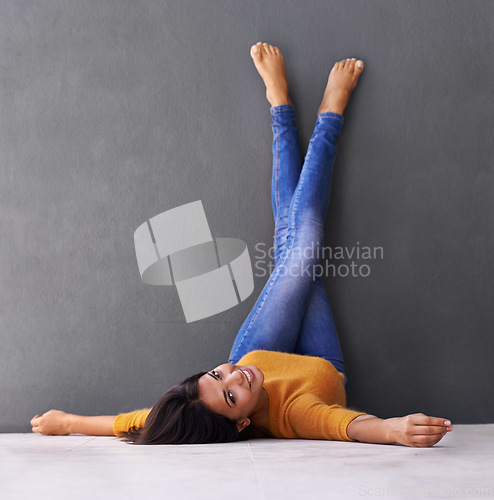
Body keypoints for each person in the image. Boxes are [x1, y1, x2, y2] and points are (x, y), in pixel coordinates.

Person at [30, 42, 453, 447]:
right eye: (231, 396)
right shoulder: (295, 412)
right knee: (295, 243)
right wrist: (393, 430)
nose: (236, 378)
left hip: (265, 349)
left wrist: (67, 422)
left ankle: (312, 114)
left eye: (217, 376)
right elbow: (346, 425)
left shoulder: (238, 372)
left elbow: (137, 420)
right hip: (324, 365)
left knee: (297, 243)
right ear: (243, 423)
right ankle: (295, 111)